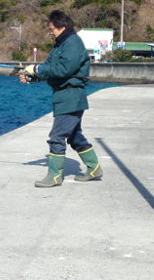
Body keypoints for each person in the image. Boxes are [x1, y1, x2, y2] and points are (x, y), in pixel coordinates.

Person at [21, 10, 103, 188]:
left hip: (71, 96)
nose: (50, 32)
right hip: (65, 96)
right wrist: (34, 76)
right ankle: (94, 167)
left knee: (57, 136)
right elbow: (51, 67)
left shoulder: (72, 43)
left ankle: (55, 176)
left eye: (52, 29)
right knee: (74, 136)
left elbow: (64, 70)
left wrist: (36, 69)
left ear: (62, 26)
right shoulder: (61, 44)